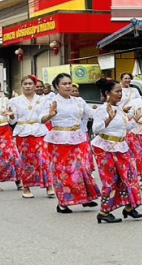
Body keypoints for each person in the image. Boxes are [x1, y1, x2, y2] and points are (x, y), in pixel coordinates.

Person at [43, 72, 101, 214]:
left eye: (69, 83)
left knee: (82, 169)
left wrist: (110, 109)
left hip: (78, 138)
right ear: (57, 86)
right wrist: (50, 115)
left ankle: (85, 198)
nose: (68, 86)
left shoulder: (78, 101)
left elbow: (93, 114)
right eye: (64, 84)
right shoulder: (50, 101)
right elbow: (42, 119)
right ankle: (63, 203)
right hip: (59, 140)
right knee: (63, 172)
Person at [91, 78, 142, 223]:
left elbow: (123, 129)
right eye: (117, 91)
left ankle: (129, 207)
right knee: (110, 180)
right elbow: (96, 129)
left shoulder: (119, 109)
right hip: (105, 148)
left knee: (129, 177)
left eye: (121, 91)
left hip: (121, 148)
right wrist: (108, 119)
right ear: (108, 93)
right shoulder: (102, 110)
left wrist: (135, 120)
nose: (120, 94)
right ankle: (104, 212)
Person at [9, 76, 52, 198]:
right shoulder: (14, 101)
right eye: (25, 84)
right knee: (25, 161)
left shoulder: (43, 100)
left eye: (30, 84)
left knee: (44, 159)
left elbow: (45, 116)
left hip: (40, 131)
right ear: (21, 86)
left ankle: (49, 185)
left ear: (35, 85)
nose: (28, 86)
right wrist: (12, 116)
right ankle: (26, 187)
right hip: (23, 132)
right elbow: (12, 121)